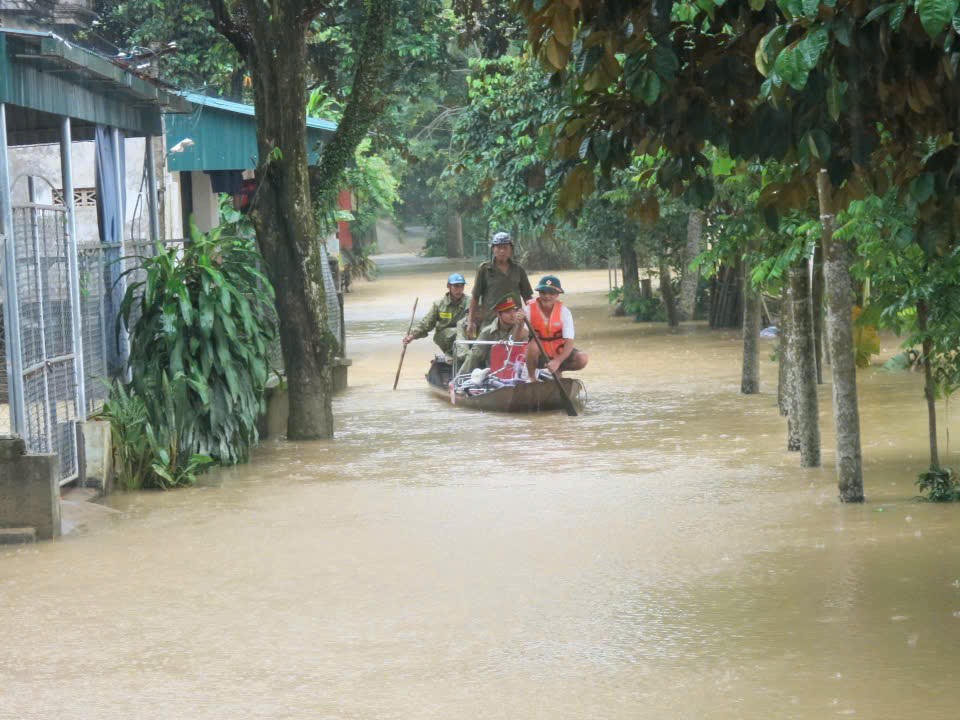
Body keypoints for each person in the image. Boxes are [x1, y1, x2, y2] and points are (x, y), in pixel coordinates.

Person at [466, 231, 533, 339]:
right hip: (491, 321)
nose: (502, 251)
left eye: (505, 247)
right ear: (493, 249)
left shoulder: (518, 269)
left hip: (515, 321)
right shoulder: (484, 269)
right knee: (487, 352)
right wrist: (470, 321)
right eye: (498, 247)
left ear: (511, 249)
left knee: (520, 350)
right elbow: (475, 296)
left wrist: (532, 319)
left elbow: (527, 297)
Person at [524, 275, 589, 380]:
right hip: (538, 354)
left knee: (583, 358)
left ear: (557, 295)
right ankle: (531, 378)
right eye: (543, 292)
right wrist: (518, 323)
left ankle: (558, 369)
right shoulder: (528, 310)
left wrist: (557, 361)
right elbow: (518, 337)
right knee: (533, 345)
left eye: (551, 293)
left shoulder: (565, 312)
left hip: (558, 352)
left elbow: (569, 342)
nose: (547, 296)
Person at [403, 273, 470, 358]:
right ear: (448, 286)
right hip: (445, 337)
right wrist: (412, 336)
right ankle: (452, 354)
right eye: (456, 286)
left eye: (462, 286)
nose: (459, 290)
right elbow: (427, 323)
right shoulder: (439, 304)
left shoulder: (470, 302)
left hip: (466, 336)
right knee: (456, 332)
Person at [461, 295, 529, 375]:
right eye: (507, 312)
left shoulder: (522, 331)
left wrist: (519, 327)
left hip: (515, 375)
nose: (512, 315)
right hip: (492, 375)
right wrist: (458, 378)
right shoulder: (488, 332)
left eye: (514, 311)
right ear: (498, 314)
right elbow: (474, 357)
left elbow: (524, 356)